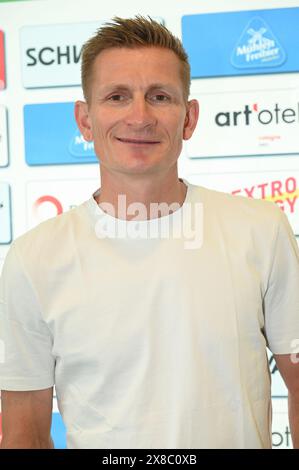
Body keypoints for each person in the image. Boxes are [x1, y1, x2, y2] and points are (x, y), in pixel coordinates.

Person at [0, 16, 299, 450]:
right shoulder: (33, 260)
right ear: (85, 120)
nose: (139, 117)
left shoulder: (261, 231)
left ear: (189, 118)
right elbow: (22, 429)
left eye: (159, 97)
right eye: (117, 97)